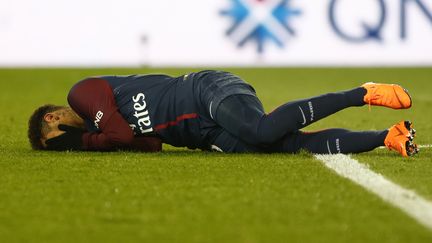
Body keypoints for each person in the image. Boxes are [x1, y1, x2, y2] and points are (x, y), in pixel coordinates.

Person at [28, 70, 419, 157]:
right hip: (203, 133)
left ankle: (361, 93)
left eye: (58, 138)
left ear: (52, 118)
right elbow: (148, 146)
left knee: (261, 129)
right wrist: (100, 142)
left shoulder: (80, 94)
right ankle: (388, 137)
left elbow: (123, 136)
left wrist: (84, 142)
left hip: (205, 91)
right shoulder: (106, 132)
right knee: (280, 147)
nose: (67, 143)